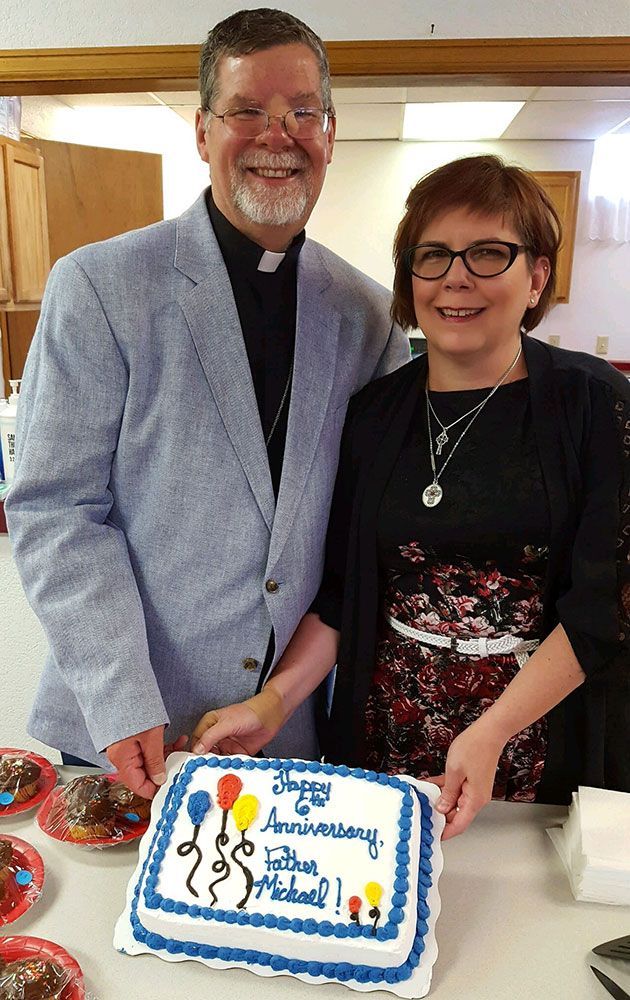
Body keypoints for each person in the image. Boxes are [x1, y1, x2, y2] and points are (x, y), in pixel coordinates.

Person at [5, 9, 410, 796]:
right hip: (125, 729)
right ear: (201, 131)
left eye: (302, 112)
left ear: (330, 130)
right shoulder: (98, 287)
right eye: (247, 111)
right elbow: (56, 511)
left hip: (285, 733)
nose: (276, 135)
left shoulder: (368, 315)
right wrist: (122, 699)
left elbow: (362, 541)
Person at [191, 154, 630, 839]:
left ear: (537, 275)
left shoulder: (595, 404)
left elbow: (605, 609)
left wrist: (492, 734)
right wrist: (274, 703)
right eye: (433, 255)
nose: (456, 276)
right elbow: (341, 593)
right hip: (383, 738)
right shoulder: (375, 412)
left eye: (489, 253)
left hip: (533, 745)